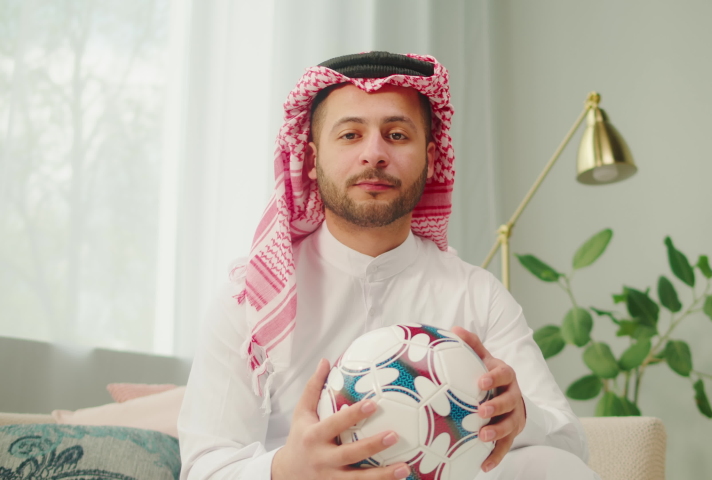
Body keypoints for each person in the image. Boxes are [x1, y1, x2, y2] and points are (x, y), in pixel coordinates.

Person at [178, 52, 600, 480]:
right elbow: (204, 469)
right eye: (349, 135)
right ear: (309, 158)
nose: (374, 154)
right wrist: (286, 468)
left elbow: (570, 445)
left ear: (432, 159)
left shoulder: (476, 295)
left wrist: (520, 413)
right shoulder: (249, 301)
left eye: (397, 135)